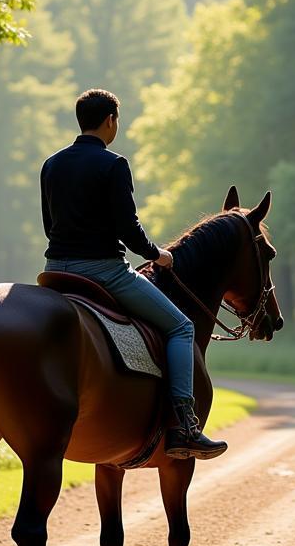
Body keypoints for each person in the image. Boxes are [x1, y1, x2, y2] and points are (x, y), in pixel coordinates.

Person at [40, 88, 227, 459]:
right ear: (111, 120)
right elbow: (128, 227)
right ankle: (184, 426)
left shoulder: (51, 164)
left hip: (54, 270)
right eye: (117, 121)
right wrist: (157, 255)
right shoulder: (114, 164)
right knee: (181, 327)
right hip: (104, 271)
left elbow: (50, 225)